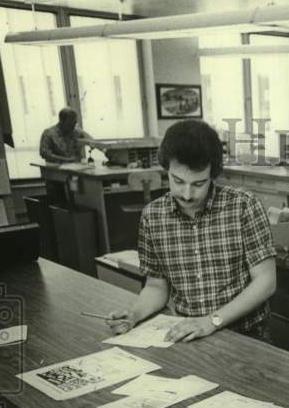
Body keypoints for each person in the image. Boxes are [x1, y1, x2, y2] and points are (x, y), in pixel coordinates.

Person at [105, 119, 277, 343]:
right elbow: (156, 286)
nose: (186, 194)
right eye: (177, 181)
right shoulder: (152, 216)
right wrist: (135, 314)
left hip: (246, 337)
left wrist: (211, 321)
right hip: (188, 335)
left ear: (213, 175)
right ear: (166, 169)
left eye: (198, 184)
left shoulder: (243, 206)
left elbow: (266, 282)